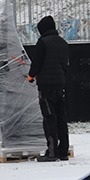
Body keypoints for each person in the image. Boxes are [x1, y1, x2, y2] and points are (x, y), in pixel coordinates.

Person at [27, 14, 70, 162]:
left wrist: (30, 76)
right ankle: (63, 151)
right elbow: (65, 66)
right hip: (60, 86)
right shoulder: (63, 43)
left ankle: (52, 152)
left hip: (46, 87)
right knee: (61, 119)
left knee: (49, 118)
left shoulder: (42, 43)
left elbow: (36, 63)